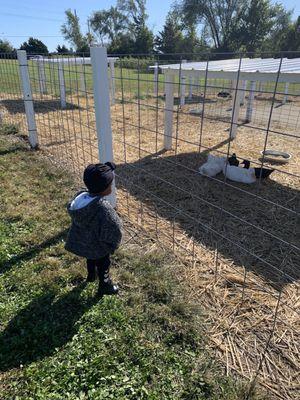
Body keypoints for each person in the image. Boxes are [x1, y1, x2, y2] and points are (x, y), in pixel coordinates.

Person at [65, 162, 122, 297]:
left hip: (85, 242)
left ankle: (91, 275)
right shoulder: (103, 208)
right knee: (104, 263)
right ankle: (105, 285)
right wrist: (112, 245)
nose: (112, 186)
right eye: (110, 184)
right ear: (104, 188)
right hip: (98, 245)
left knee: (90, 257)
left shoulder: (80, 200)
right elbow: (115, 228)